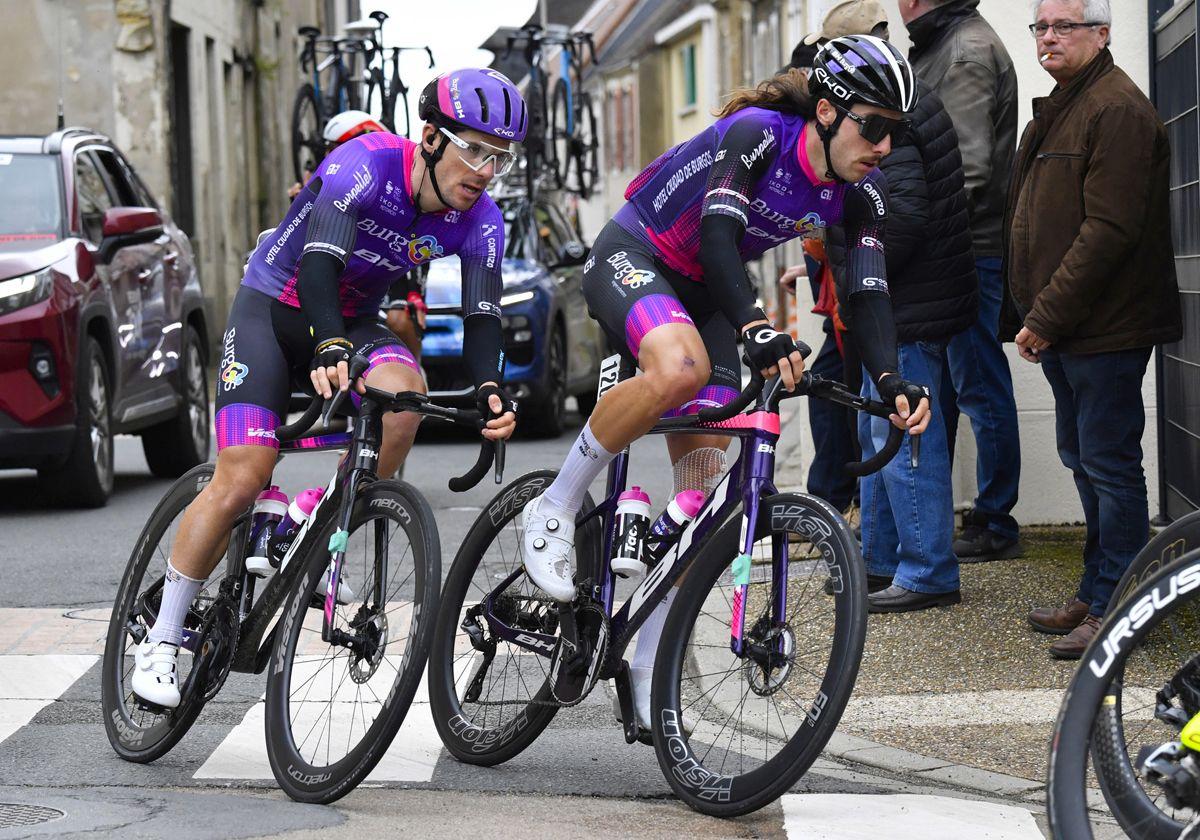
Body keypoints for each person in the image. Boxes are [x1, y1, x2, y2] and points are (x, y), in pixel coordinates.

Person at [521, 35, 932, 732]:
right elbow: (716, 239)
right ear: (828, 113)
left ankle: (648, 659)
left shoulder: (862, 192)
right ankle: (555, 505)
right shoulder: (758, 135)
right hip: (638, 256)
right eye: (875, 125)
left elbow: (869, 295)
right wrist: (755, 326)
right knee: (683, 368)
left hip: (705, 296)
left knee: (703, 497)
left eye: (898, 130)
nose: (886, 145)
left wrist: (892, 378)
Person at [130, 69, 525, 708]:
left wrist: (489, 389)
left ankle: (316, 518)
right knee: (242, 477)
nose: (484, 170)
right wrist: (327, 344)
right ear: (430, 136)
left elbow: (483, 318)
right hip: (274, 307)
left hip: (355, 317)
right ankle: (164, 637)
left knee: (403, 400)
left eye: (499, 158)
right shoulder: (363, 167)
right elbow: (318, 268)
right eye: (474, 149)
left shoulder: (481, 221)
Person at [1006, 1, 1182, 658]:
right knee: (1086, 463)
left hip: (1104, 328)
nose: (1048, 38)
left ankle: (1120, 608)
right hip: (1068, 329)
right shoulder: (1067, 103)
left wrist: (1044, 316)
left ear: (1102, 35)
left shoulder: (1117, 110)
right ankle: (1095, 589)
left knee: (1109, 467)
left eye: (1064, 27)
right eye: (1042, 28)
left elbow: (1107, 233)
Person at [821, 10, 978, 613]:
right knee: (877, 426)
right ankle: (882, 560)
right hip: (900, 302)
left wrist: (857, 268)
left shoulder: (891, 108)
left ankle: (928, 570)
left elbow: (901, 218)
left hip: (907, 304)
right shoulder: (895, 98)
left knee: (908, 434)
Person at [900, 0, 1023, 563]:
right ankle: (974, 516)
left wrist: (915, 233)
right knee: (955, 386)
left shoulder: (965, 51)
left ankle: (995, 520)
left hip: (968, 248)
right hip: (961, 245)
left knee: (978, 384)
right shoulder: (944, 43)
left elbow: (968, 168)